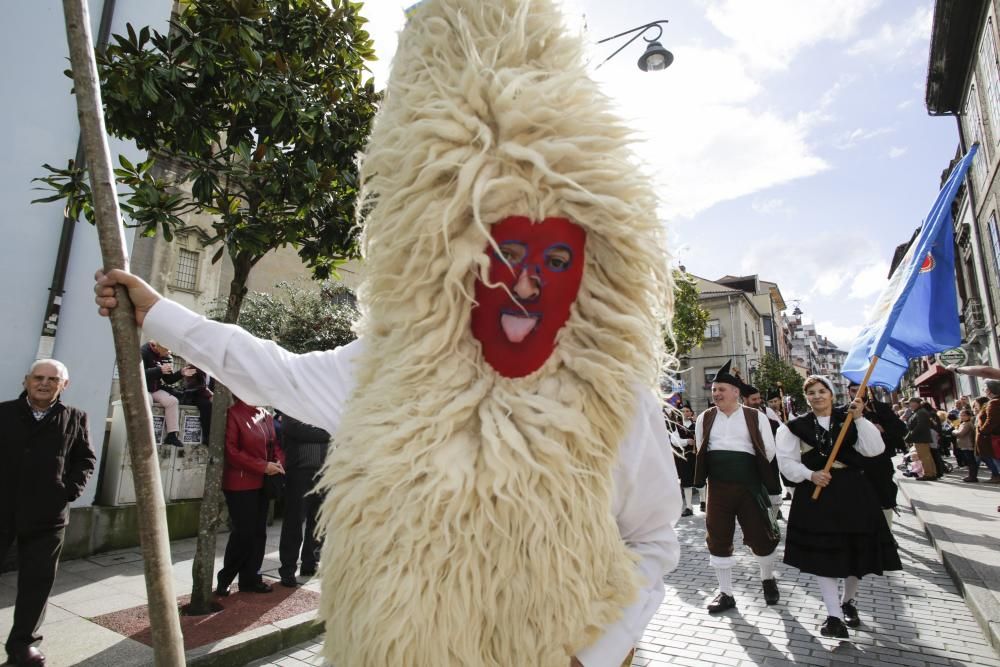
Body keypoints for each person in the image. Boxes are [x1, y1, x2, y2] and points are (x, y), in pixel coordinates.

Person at [95, 2, 682, 662]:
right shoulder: (391, 369)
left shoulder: (613, 395)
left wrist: (595, 653)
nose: (526, 285)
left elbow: (656, 536)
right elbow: (269, 370)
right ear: (462, 256)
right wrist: (159, 312)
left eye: (555, 260)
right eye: (509, 254)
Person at [776, 375, 901, 639]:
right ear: (806, 397)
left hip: (853, 491)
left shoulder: (850, 419)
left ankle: (848, 601)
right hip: (817, 493)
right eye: (811, 392)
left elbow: (874, 450)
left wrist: (859, 419)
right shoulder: (794, 427)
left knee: (855, 552)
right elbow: (786, 462)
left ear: (832, 394)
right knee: (825, 556)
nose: (817, 396)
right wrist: (811, 475)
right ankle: (834, 616)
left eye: (822, 391)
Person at [0, 359, 96, 666]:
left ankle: (23, 644)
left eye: (52, 379)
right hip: (2, 507)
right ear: (27, 380)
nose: (44, 383)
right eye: (38, 377)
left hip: (48, 514)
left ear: (63, 385)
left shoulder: (75, 417)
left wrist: (69, 490)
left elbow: (85, 459)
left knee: (37, 582)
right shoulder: (3, 413)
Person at [693, 361, 781, 613]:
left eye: (721, 388)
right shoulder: (705, 417)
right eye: (714, 390)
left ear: (735, 392)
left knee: (762, 537)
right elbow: (702, 449)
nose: (716, 393)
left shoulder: (756, 417)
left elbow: (769, 450)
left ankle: (767, 579)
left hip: (750, 487)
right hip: (718, 489)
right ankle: (726, 593)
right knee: (718, 538)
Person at [215, 398, 285, 596]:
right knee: (243, 533)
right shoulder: (234, 414)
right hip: (240, 483)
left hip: (263, 482)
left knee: (258, 533)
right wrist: (263, 466)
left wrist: (278, 463)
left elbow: (275, 446)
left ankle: (251, 578)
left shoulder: (266, 414)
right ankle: (226, 577)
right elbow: (232, 451)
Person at [277, 413, 330, 587]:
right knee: (294, 522)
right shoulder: (291, 409)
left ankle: (310, 563)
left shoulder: (318, 408)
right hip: (299, 472)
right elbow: (299, 431)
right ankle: (288, 569)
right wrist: (326, 432)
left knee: (317, 521)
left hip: (322, 473)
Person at [847, 381, 906, 527]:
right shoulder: (844, 411)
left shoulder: (880, 408)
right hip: (856, 464)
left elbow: (901, 430)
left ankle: (887, 532)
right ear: (849, 392)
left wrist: (883, 430)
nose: (857, 394)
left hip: (880, 462)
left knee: (885, 497)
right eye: (854, 391)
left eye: (860, 390)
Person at [741, 385, 785, 522]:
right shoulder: (740, 414)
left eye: (759, 398)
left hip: (770, 456)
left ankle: (773, 518)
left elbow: (782, 429)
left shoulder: (767, 412)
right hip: (749, 459)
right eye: (754, 399)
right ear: (744, 399)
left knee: (773, 488)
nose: (758, 401)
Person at [140, 340, 183, 447]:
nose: (169, 352)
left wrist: (181, 373)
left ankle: (171, 435)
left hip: (155, 389)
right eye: (167, 349)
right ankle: (145, 434)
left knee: (172, 401)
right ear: (156, 347)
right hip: (142, 387)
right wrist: (159, 370)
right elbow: (139, 373)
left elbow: (169, 379)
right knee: (147, 400)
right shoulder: (143, 352)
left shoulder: (166, 357)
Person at [668, 404, 697, 517]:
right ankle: (689, 507)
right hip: (684, 457)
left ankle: (704, 502)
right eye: (682, 411)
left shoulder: (696, 424)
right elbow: (674, 441)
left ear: (691, 412)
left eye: (687, 411)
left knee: (700, 480)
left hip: (696, 456)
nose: (684, 413)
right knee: (686, 481)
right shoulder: (676, 426)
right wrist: (687, 442)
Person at [904, 397, 938, 480]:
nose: (909, 405)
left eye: (911, 403)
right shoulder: (918, 412)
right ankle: (932, 473)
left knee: (924, 457)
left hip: (921, 438)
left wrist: (911, 435)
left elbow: (920, 426)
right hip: (920, 437)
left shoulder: (921, 412)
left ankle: (929, 474)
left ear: (916, 403)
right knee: (926, 456)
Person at [178, 364, 213, 444]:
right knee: (207, 405)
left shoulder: (212, 369)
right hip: (193, 395)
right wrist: (210, 395)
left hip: (206, 395)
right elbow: (192, 385)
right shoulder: (193, 366)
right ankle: (206, 436)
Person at [975, 382, 1000, 484]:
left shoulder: (994, 403)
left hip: (993, 437)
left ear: (990, 390)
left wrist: (982, 431)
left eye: (985, 388)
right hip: (993, 435)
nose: (984, 390)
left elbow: (991, 421)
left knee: (996, 458)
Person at [955, 409, 978, 481]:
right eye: (960, 415)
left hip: (968, 445)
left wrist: (954, 431)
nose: (962, 417)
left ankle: (972, 477)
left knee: (971, 461)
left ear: (969, 416)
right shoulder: (963, 423)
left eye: (964, 415)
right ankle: (971, 476)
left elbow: (961, 434)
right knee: (969, 461)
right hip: (965, 445)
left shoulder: (967, 424)